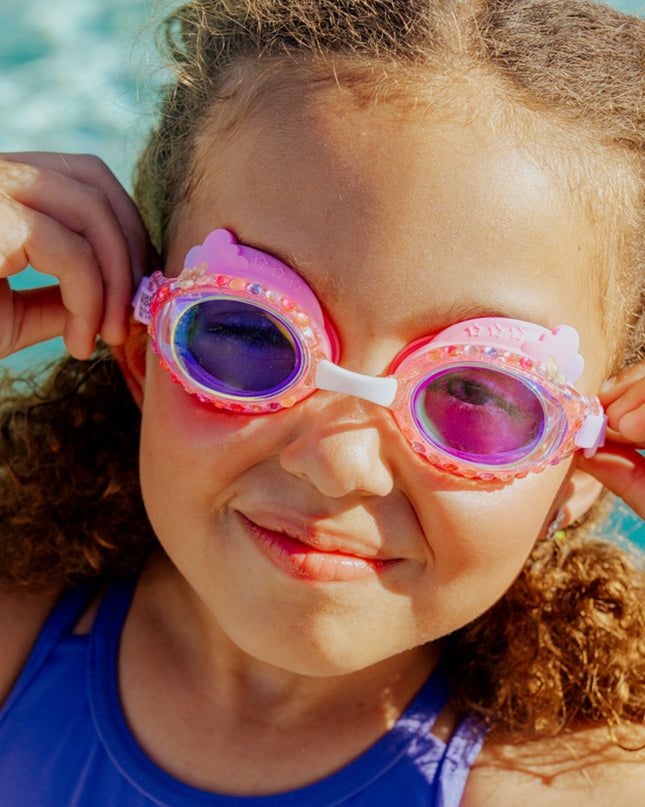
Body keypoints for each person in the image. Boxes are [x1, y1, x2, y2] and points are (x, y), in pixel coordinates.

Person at [1, 0, 645, 803]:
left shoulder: (575, 786)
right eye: (251, 332)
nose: (339, 463)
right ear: (142, 351)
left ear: (585, 459)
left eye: (474, 391)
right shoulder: (17, 629)